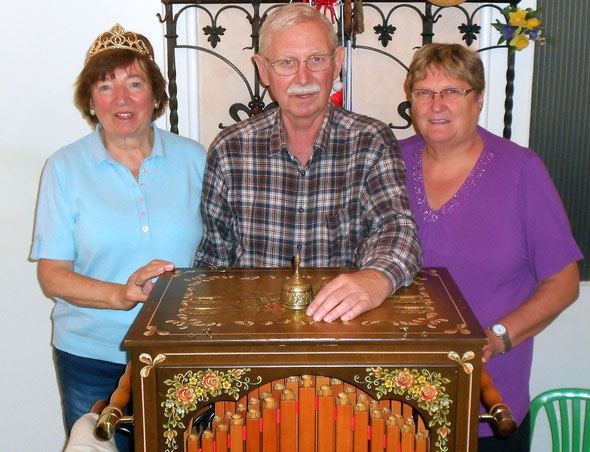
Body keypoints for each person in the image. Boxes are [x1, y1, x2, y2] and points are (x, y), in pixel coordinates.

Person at [30, 24, 207, 452]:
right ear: (91, 100)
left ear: (156, 95)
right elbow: (52, 276)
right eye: (105, 86)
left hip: (179, 357)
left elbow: (221, 256)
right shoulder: (64, 167)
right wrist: (120, 294)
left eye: (135, 83)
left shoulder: (196, 158)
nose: (121, 99)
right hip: (91, 355)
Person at [399, 43, 582, 451]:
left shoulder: (520, 170)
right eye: (424, 92)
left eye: (453, 91)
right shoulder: (389, 163)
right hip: (398, 404)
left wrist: (496, 338)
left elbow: (563, 281)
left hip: (486, 408)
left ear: (479, 99)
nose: (437, 104)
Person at [194, 3, 422, 322]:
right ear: (263, 69)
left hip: (343, 332)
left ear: (338, 62)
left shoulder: (370, 141)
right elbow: (212, 262)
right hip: (255, 334)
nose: (303, 77)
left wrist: (377, 278)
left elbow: (396, 228)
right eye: (287, 62)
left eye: (316, 59)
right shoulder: (230, 149)